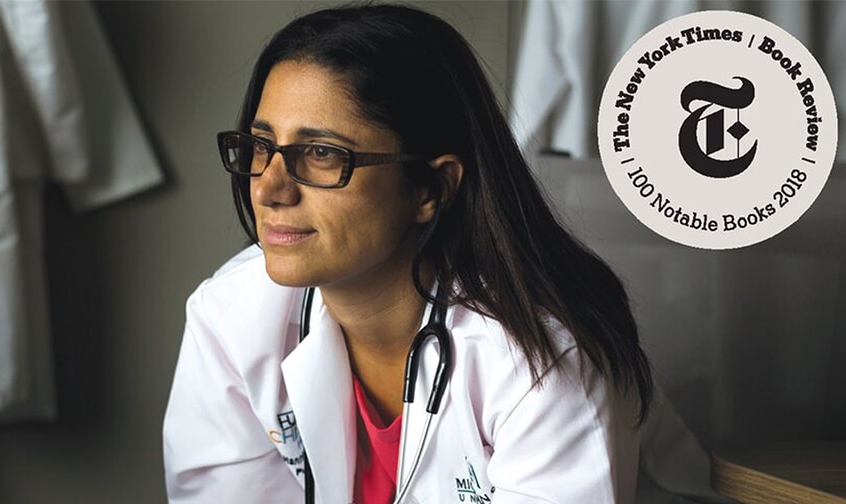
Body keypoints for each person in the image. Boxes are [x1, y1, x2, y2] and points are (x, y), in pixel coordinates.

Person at [163, 4, 656, 503]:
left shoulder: (537, 361)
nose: (269, 189)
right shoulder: (229, 317)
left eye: (322, 154)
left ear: (431, 188)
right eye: (261, 145)